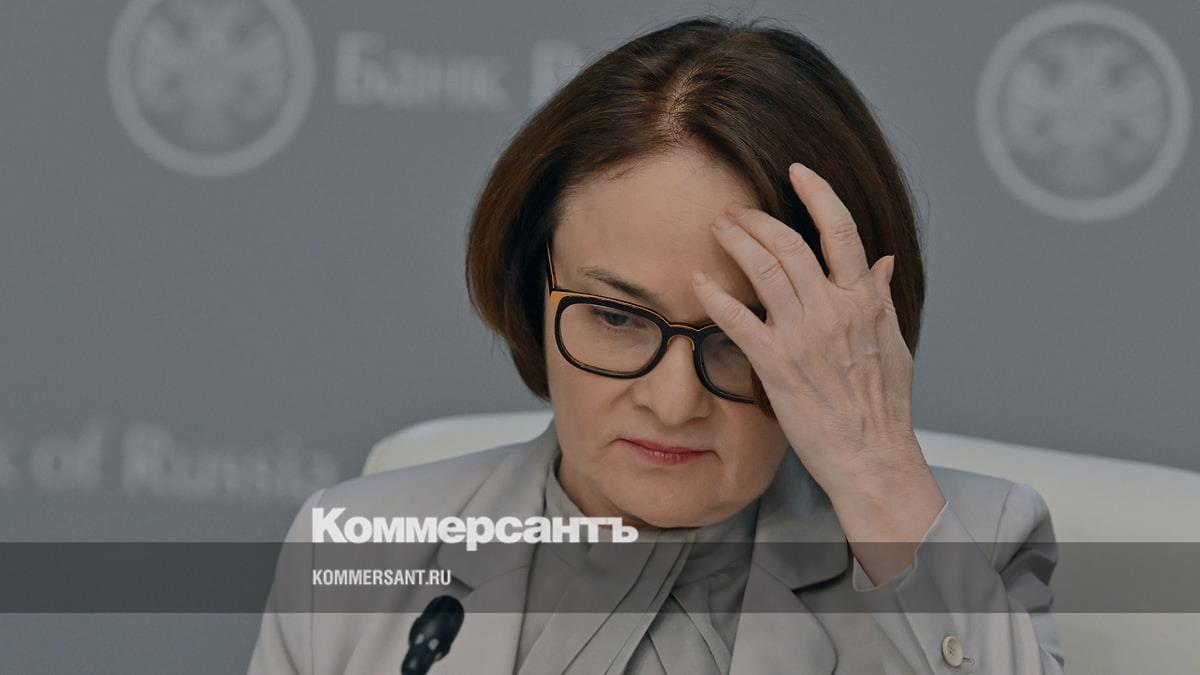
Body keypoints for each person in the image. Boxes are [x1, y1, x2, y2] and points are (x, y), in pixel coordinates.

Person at [248, 15, 1064, 674]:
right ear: (534, 291)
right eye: (616, 316)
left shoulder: (977, 540)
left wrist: (878, 474)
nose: (674, 402)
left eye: (741, 336)